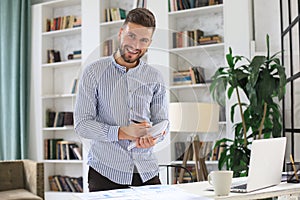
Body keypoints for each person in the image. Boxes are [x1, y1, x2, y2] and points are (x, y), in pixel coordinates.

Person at [74, 7, 169, 192]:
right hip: (105, 173)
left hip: (146, 171)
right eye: (131, 36)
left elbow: (163, 123)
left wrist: (154, 138)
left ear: (149, 43)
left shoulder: (155, 77)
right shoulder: (94, 72)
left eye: (143, 40)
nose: (135, 45)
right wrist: (123, 133)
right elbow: (82, 124)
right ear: (120, 33)